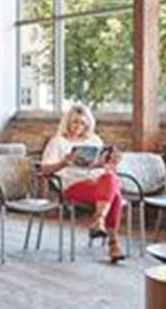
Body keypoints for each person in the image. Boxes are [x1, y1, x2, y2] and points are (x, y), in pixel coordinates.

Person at [41, 102, 126, 263]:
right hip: (74, 185)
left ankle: (100, 222)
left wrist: (110, 164)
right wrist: (64, 163)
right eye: (75, 122)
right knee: (115, 194)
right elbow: (45, 170)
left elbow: (103, 166)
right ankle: (112, 242)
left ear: (88, 124)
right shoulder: (57, 142)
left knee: (110, 178)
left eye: (82, 122)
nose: (78, 126)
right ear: (68, 122)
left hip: (98, 183)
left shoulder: (94, 140)